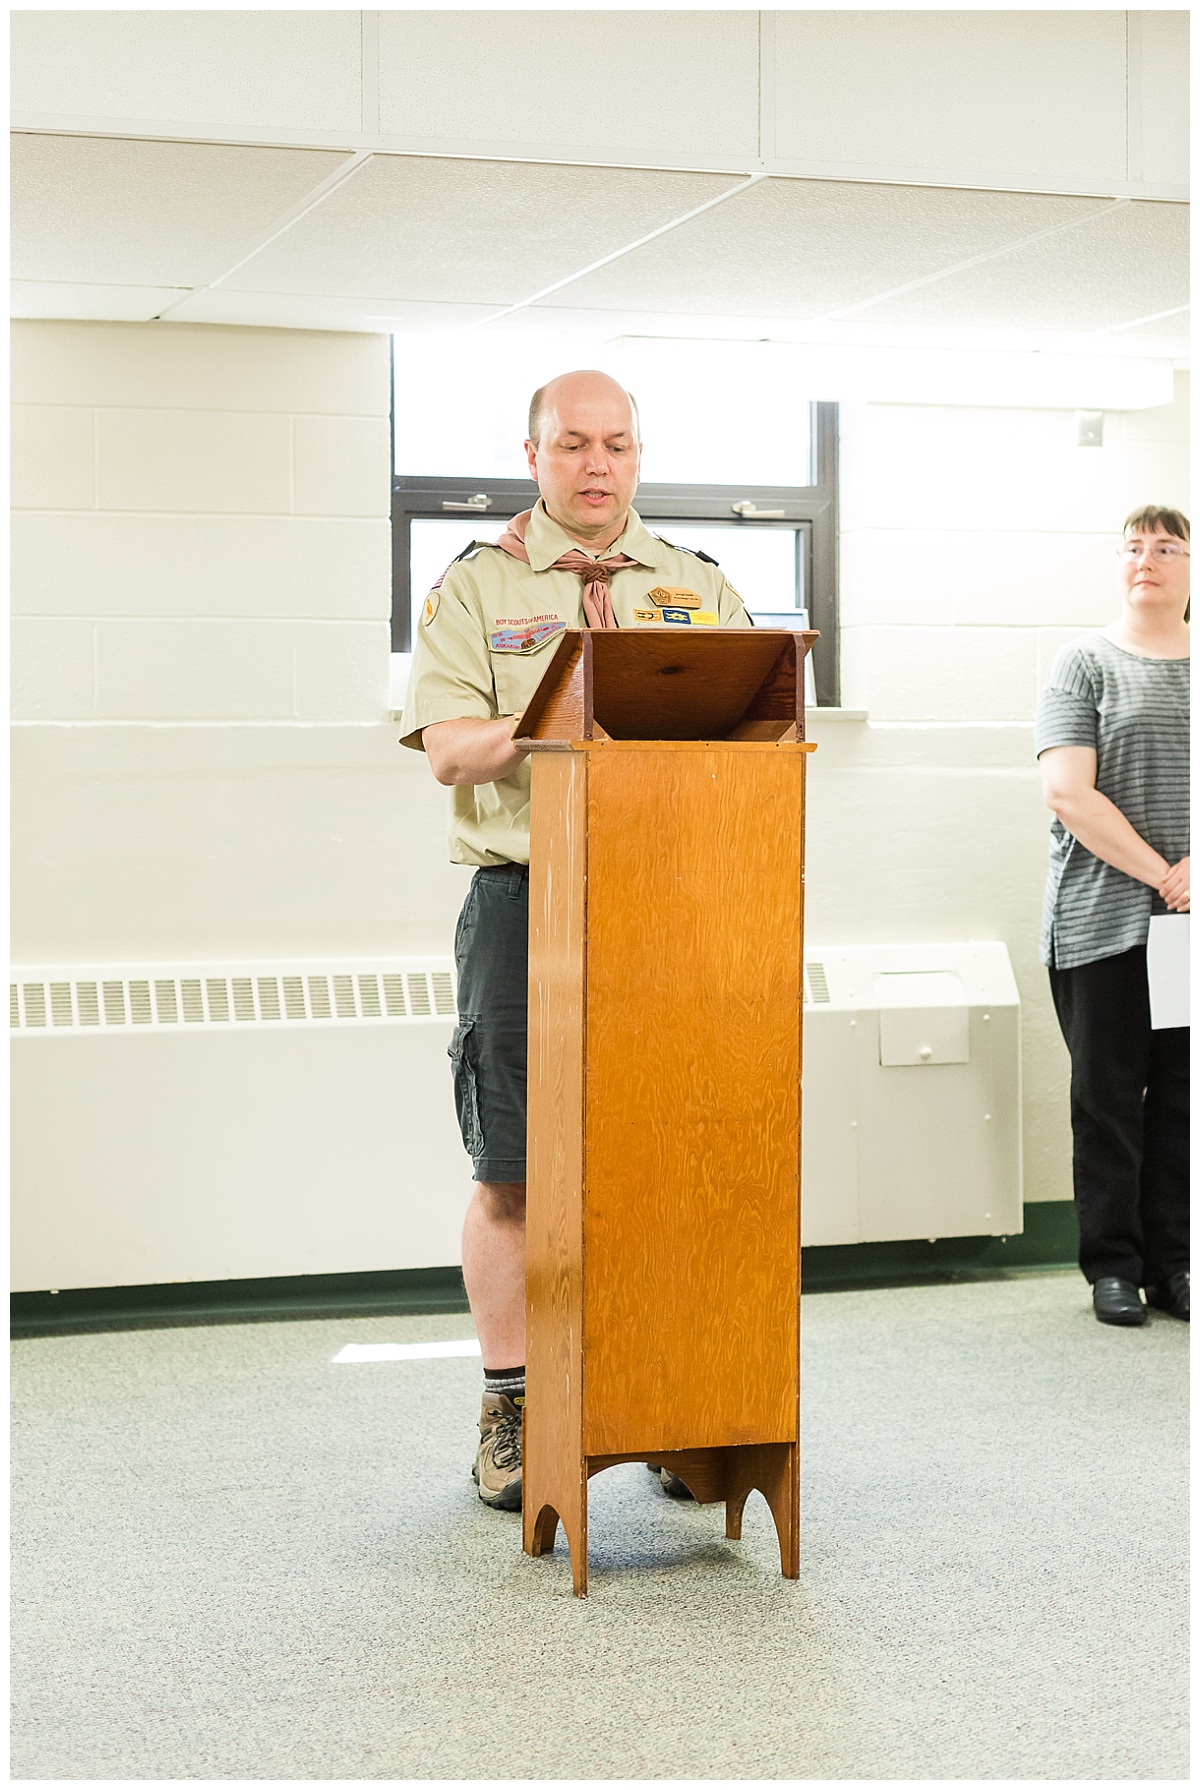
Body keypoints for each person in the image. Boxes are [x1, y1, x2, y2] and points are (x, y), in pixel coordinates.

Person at [399, 370, 752, 1506]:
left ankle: (656, 1400)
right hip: (526, 900)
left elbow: (757, 729)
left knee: (663, 1160)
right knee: (514, 1169)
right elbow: (451, 746)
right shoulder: (478, 583)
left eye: (616, 444)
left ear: (638, 455)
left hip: (672, 905)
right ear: (534, 453)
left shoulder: (698, 584)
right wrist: (560, 712)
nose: (596, 465)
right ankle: (513, 1406)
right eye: (573, 445)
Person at [1036, 504, 1190, 1328]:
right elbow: (1067, 790)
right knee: (1107, 1096)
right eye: (1134, 547)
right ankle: (1115, 1267)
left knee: (1181, 1097)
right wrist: (1167, 874)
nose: (1148, 559)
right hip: (1101, 921)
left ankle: (1177, 1262)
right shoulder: (1085, 661)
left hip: (1189, 927)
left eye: (1167, 547)